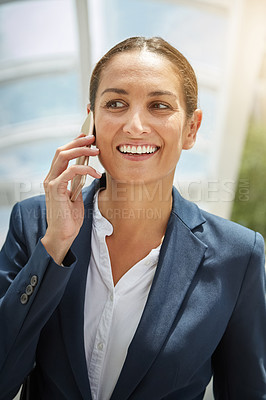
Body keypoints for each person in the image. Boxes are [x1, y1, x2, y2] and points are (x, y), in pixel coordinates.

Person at [0, 36, 265, 400]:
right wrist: (55, 245)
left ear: (191, 128)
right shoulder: (33, 223)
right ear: (90, 119)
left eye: (159, 105)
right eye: (116, 103)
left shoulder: (239, 256)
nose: (136, 125)